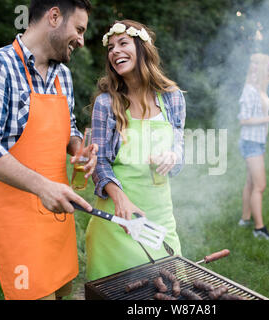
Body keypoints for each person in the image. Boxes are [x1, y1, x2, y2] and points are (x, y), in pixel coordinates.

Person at [0, 0, 96, 300]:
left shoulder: (63, 74)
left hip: (57, 212)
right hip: (19, 220)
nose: (82, 39)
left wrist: (77, 147)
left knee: (61, 290)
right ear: (53, 17)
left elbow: (70, 126)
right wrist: (42, 187)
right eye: (78, 29)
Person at [86, 20, 186, 279]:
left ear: (142, 48)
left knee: (171, 292)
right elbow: (100, 163)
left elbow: (180, 148)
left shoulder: (172, 98)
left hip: (160, 219)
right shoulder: (106, 104)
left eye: (123, 43)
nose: (115, 51)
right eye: (110, 47)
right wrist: (122, 201)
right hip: (116, 223)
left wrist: (173, 157)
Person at [237, 53, 269, 243]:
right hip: (251, 143)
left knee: (250, 182)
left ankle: (245, 219)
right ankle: (259, 228)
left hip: (257, 141)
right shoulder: (249, 89)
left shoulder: (258, 87)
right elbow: (243, 119)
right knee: (260, 186)